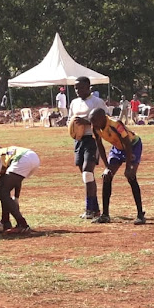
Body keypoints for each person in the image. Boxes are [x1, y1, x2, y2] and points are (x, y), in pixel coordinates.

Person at [89, 108, 145, 225]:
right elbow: (100, 146)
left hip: (132, 146)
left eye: (94, 121)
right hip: (117, 149)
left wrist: (128, 166)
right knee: (107, 176)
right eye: (91, 121)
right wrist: (107, 166)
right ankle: (105, 215)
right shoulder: (95, 128)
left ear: (102, 118)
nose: (92, 124)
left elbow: (127, 143)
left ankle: (140, 214)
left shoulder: (115, 124)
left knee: (130, 176)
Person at [68, 76, 108, 220]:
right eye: (76, 88)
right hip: (78, 141)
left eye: (81, 87)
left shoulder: (97, 102)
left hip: (92, 139)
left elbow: (106, 120)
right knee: (86, 176)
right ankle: (94, 209)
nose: (78, 90)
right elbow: (70, 119)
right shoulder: (74, 103)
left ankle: (89, 208)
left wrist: (87, 122)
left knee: (87, 172)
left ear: (88, 87)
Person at [0, 146, 41, 234]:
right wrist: (16, 197)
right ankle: (5, 221)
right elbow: (16, 180)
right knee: (4, 188)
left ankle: (22, 224)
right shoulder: (4, 154)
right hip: (33, 157)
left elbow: (5, 173)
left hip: (22, 159)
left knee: (1, 192)